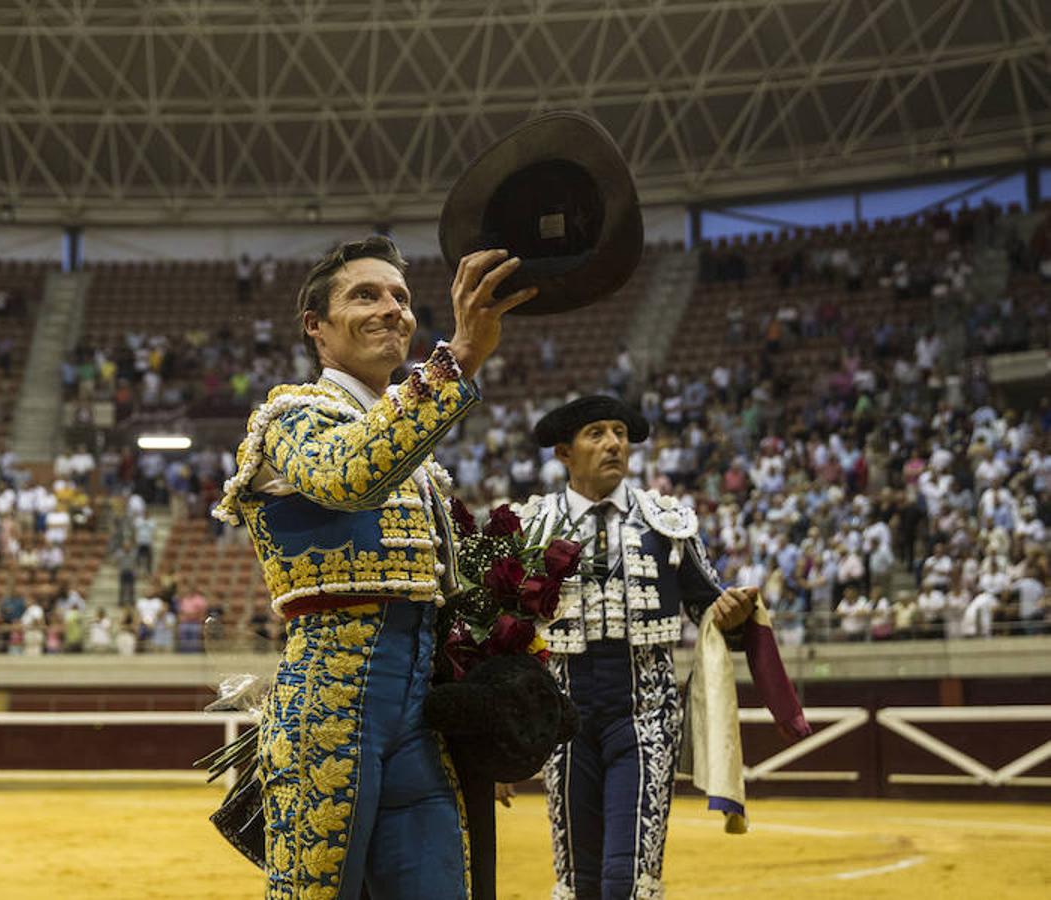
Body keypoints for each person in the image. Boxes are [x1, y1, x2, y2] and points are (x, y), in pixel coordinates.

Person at [212, 236, 534, 899]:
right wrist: (460, 357)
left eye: (401, 297)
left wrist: (481, 715)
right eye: (365, 295)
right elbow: (348, 476)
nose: (392, 310)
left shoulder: (422, 464)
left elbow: (452, 600)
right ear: (316, 327)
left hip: (421, 720)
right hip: (327, 713)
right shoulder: (289, 419)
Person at [519, 395, 757, 900]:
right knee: (576, 876)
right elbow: (503, 631)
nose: (614, 444)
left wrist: (732, 615)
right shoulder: (532, 528)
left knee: (627, 873)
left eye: (620, 434)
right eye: (597, 433)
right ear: (565, 452)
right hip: (562, 719)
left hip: (644, 715)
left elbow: (709, 605)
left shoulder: (666, 522)